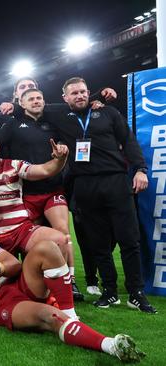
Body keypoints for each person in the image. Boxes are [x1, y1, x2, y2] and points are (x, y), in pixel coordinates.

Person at [0, 217, 145, 363]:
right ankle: (111, 346)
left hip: (16, 283)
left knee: (47, 247)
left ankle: (71, 315)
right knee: (48, 316)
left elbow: (14, 265)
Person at [47, 77, 155, 313]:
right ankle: (110, 291)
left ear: (89, 93)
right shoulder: (59, 117)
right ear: (64, 98)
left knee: (129, 239)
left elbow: (128, 141)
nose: (80, 96)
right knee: (98, 243)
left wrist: (140, 169)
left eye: (84, 92)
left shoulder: (108, 113)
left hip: (115, 180)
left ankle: (136, 292)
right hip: (84, 185)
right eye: (74, 93)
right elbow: (33, 107)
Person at [0, 88, 84, 301]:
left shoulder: (53, 123)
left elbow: (67, 141)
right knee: (28, 238)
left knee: (63, 230)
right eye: (31, 99)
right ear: (22, 103)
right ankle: (32, 282)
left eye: (39, 98)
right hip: (26, 192)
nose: (36, 101)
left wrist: (63, 148)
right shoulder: (12, 124)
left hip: (52, 189)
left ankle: (70, 281)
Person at [0, 131, 70, 259]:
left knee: (61, 239)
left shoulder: (14, 165)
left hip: (22, 230)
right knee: (9, 274)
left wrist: (60, 159)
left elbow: (45, 170)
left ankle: (67, 278)